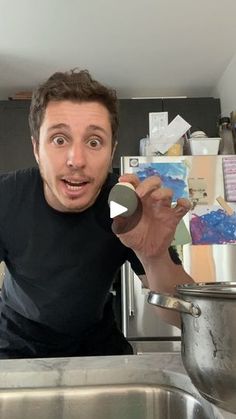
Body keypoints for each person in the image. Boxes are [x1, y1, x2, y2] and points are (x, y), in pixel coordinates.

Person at [0, 69, 194, 359]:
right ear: (36, 149)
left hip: (97, 345)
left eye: (93, 142)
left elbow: (186, 319)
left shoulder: (125, 205)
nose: (76, 160)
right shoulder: (6, 197)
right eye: (59, 139)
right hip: (16, 345)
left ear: (111, 151)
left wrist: (155, 257)